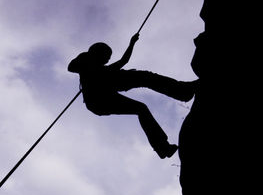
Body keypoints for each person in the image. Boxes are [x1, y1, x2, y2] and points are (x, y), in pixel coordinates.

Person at [68, 32, 198, 159]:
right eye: (106, 56)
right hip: (99, 97)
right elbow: (71, 67)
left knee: (142, 103)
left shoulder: (105, 70)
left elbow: (123, 61)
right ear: (98, 53)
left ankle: (163, 147)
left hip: (103, 95)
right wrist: (88, 57)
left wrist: (132, 43)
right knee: (143, 80)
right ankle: (181, 91)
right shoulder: (88, 63)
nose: (108, 59)